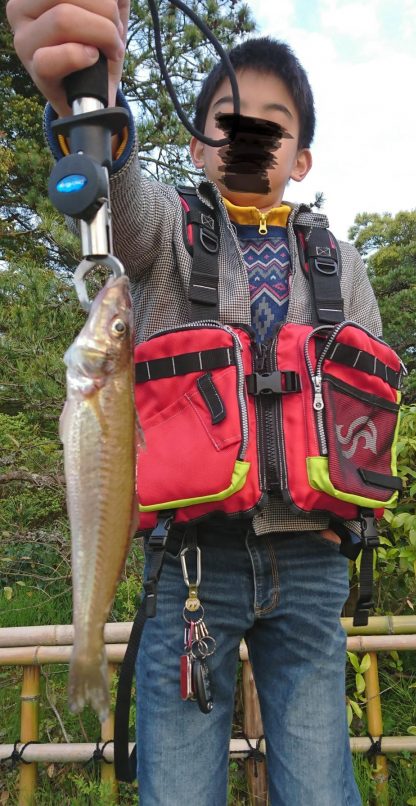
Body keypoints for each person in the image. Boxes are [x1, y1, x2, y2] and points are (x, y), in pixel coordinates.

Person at [7, 2, 383, 804]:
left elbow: (365, 408)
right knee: (176, 786)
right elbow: (118, 196)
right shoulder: (169, 230)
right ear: (197, 142)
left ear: (303, 158)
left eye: (271, 127)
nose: (249, 138)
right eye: (228, 121)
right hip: (188, 560)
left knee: (322, 787)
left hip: (315, 561)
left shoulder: (342, 262)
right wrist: (88, 98)